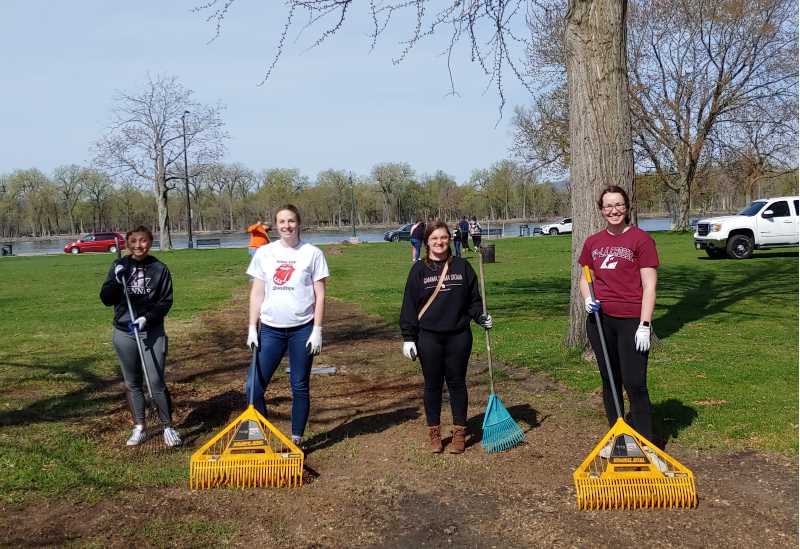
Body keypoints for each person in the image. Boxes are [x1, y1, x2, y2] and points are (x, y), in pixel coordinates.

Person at [578, 185, 662, 464]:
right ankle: (620, 440)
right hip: (601, 321)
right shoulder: (592, 242)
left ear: (626, 207)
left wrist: (645, 324)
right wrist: (587, 299)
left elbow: (649, 286)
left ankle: (647, 445)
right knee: (610, 381)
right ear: (601, 210)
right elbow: (584, 277)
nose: (613, 211)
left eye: (618, 205)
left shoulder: (641, 240)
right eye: (608, 206)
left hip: (631, 322)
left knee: (635, 383)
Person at [400, 221, 493, 454]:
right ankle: (434, 432)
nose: (439, 242)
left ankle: (459, 432)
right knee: (432, 385)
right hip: (428, 337)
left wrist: (480, 316)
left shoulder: (462, 267)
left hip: (458, 336)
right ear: (427, 242)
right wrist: (408, 337)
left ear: (449, 239)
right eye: (434, 239)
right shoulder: (418, 270)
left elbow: (473, 300)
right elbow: (409, 306)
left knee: (457, 383)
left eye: (443, 238)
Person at [245, 204, 329, 446]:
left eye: (291, 221)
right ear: (276, 224)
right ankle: (258, 435)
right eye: (282, 221)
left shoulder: (312, 253)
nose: (286, 226)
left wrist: (317, 329)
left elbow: (320, 295)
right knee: (253, 386)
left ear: (298, 223)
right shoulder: (265, 253)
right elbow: (257, 293)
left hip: (302, 328)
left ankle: (296, 439)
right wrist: (252, 327)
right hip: (270, 330)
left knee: (299, 385)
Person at [100, 226, 181, 447]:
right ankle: (139, 427)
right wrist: (116, 281)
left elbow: (165, 301)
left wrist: (147, 318)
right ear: (127, 243)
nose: (138, 245)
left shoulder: (159, 268)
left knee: (155, 380)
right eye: (134, 241)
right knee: (132, 382)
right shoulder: (119, 266)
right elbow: (106, 298)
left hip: (151, 331)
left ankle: (167, 427)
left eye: (143, 241)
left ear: (150, 242)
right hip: (124, 332)